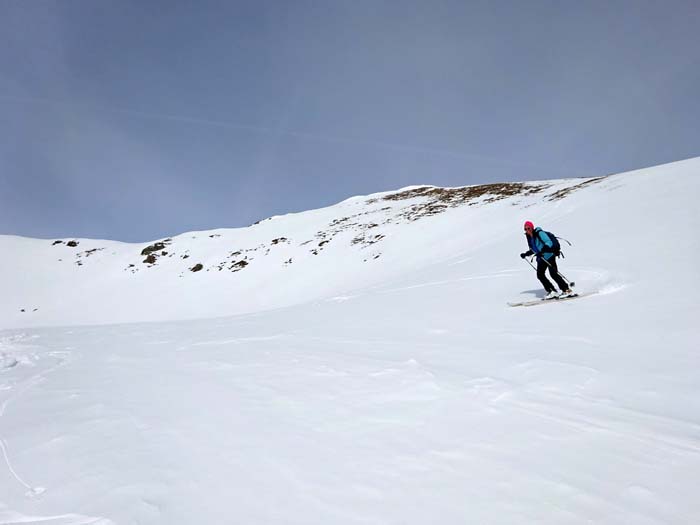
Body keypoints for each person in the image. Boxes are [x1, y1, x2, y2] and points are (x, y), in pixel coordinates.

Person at [520, 221, 573, 299]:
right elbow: (533, 249)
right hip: (541, 258)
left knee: (553, 274)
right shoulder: (530, 238)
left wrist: (543, 250)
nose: (527, 230)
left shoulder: (539, 233)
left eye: (528, 228)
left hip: (549, 255)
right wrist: (525, 254)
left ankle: (566, 290)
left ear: (532, 227)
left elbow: (548, 242)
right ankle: (552, 291)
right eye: (525, 229)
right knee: (540, 275)